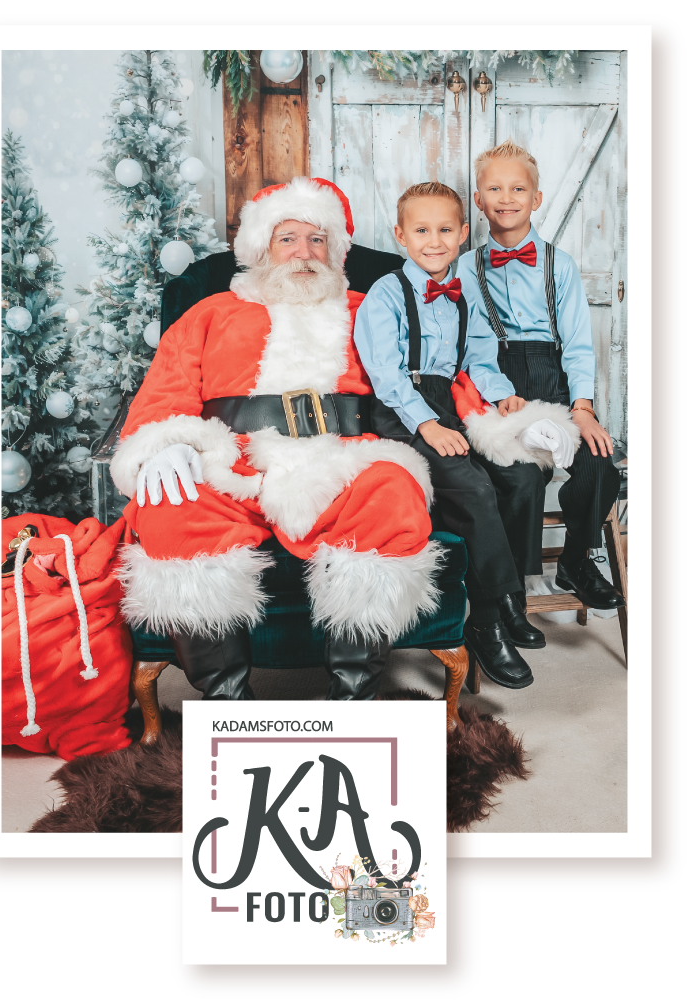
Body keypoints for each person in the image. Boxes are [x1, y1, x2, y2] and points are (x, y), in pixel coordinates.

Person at [110, 177, 443, 701]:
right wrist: (164, 441)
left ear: (335, 250)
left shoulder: (372, 309)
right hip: (233, 463)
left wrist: (502, 419)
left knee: (392, 489)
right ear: (261, 248)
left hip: (342, 459)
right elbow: (164, 393)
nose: (304, 253)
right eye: (288, 238)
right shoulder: (209, 313)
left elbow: (437, 372)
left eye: (317, 239)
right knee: (170, 506)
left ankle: (353, 697)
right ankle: (227, 706)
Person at [354, 181, 580, 690]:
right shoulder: (387, 293)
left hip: (451, 405)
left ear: (462, 233)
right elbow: (386, 375)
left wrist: (502, 396)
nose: (433, 241)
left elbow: (479, 358)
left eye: (444, 230)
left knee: (521, 475)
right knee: (473, 486)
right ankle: (486, 621)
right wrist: (427, 425)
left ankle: (512, 597)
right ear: (401, 235)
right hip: (402, 413)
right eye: (421, 231)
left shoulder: (465, 294)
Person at [457, 140, 624, 610]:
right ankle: (509, 588)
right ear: (479, 200)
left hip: (555, 379)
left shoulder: (559, 264)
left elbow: (578, 344)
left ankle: (576, 562)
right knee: (521, 478)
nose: (506, 198)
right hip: (497, 382)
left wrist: (582, 408)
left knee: (599, 465)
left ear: (536, 198)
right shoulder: (465, 268)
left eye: (518, 188)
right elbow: (474, 346)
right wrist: (499, 393)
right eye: (495, 188)